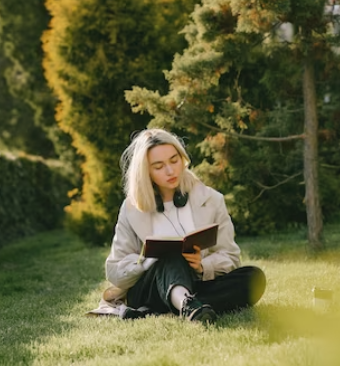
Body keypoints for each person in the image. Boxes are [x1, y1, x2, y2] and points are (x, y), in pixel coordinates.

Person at [94, 128, 266, 323]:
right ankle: (186, 305)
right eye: (158, 166)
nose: (170, 171)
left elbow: (231, 257)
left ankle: (168, 309)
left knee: (253, 277)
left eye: (174, 160)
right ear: (145, 172)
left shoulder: (211, 200)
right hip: (151, 289)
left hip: (198, 283)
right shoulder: (131, 208)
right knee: (170, 255)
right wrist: (146, 260)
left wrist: (202, 266)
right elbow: (115, 272)